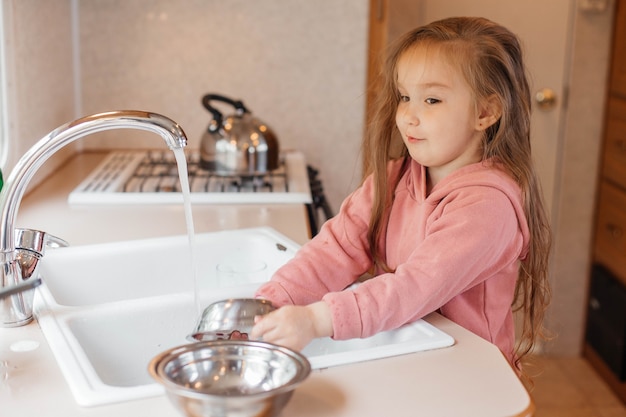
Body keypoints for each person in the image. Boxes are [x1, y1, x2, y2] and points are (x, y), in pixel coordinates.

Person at [251, 16, 551, 372]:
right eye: (405, 96)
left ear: (485, 112)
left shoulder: (487, 207)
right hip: (415, 362)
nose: (409, 114)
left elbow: (413, 288)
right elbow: (337, 249)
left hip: (469, 381)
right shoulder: (395, 177)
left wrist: (317, 320)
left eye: (432, 100)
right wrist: (269, 303)